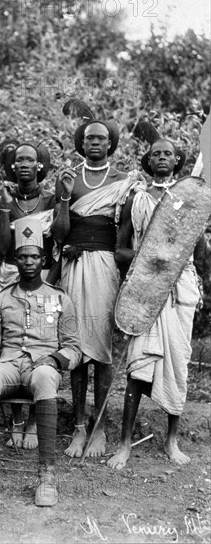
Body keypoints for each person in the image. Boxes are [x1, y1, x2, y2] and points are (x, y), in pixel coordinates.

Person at [0, 217, 81, 507]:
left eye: (34, 257)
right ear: (16, 260)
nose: (29, 262)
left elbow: (74, 348)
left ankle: (47, 478)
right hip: (9, 363)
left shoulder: (60, 299)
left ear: (43, 260)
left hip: (42, 367)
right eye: (22, 257)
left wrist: (53, 359)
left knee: (46, 377)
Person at [108, 139, 201, 470]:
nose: (161, 157)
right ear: (148, 160)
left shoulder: (188, 200)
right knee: (138, 365)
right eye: (156, 153)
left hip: (181, 290)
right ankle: (123, 443)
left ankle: (171, 440)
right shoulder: (137, 199)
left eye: (168, 153)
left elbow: (198, 253)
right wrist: (149, 259)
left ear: (178, 160)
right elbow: (119, 250)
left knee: (178, 363)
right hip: (144, 289)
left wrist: (178, 257)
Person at [51, 120, 138, 458]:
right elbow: (59, 234)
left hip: (104, 267)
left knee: (100, 348)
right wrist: (63, 197)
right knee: (75, 347)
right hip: (73, 264)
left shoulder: (122, 182)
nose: (95, 143)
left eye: (101, 138)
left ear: (110, 143)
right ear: (81, 143)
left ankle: (99, 426)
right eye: (89, 139)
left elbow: (125, 236)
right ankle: (77, 428)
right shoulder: (69, 178)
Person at [0, 140, 56, 450]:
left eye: (30, 159)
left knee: (40, 343)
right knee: (13, 344)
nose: (24, 165)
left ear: (39, 165)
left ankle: (33, 422)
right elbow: (3, 248)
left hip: (41, 278)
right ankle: (16, 420)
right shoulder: (2, 201)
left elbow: (56, 244)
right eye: (19, 160)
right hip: (10, 277)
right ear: (12, 166)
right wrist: (5, 209)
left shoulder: (51, 200)